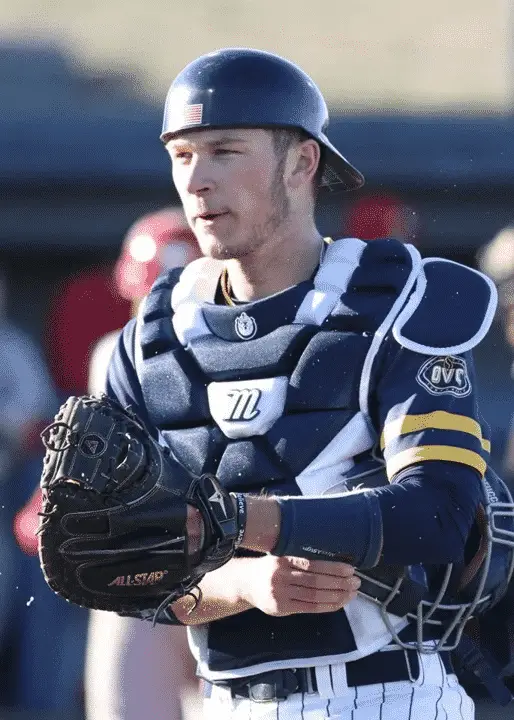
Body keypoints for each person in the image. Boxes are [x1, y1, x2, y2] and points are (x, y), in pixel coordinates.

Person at [105, 48, 511, 719]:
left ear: (303, 161)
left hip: (390, 693)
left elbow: (440, 513)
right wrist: (243, 582)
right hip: (227, 702)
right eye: (182, 156)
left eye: (226, 150)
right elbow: (114, 564)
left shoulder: (398, 303)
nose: (198, 181)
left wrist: (241, 522)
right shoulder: (153, 337)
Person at [84, 207, 202, 720]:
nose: (160, 312)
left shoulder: (252, 351)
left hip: (225, 570)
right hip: (137, 573)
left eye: (176, 297)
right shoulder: (114, 353)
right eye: (151, 295)